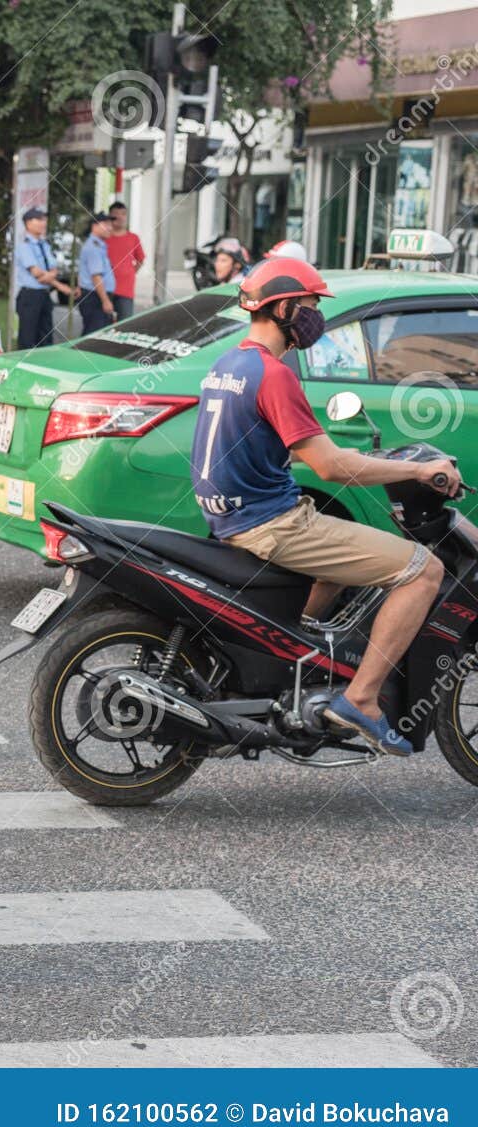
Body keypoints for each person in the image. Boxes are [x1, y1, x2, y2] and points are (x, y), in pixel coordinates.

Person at [189, 257, 460, 756]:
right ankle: (361, 700)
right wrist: (419, 470)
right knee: (424, 570)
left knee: (339, 546)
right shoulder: (273, 374)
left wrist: (362, 457)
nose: (316, 317)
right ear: (286, 307)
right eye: (312, 306)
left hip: (233, 516)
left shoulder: (228, 365)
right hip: (272, 523)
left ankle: (295, 653)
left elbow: (306, 449)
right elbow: (332, 468)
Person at [13, 207, 70, 350]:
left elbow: (53, 270)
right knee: (28, 338)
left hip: (44, 295)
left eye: (44, 220)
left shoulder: (44, 244)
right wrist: (59, 285)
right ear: (28, 223)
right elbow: (37, 274)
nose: (43, 223)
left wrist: (48, 276)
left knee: (45, 336)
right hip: (30, 295)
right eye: (39, 219)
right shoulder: (24, 245)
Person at [76, 212, 116, 335]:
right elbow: (96, 276)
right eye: (106, 224)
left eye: (111, 224)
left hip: (96, 295)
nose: (110, 228)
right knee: (93, 335)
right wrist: (105, 300)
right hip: (95, 297)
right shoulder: (94, 247)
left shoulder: (99, 245)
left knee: (97, 334)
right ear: (95, 226)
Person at [105, 201, 146, 319]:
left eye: (123, 214)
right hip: (105, 290)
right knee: (103, 326)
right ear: (110, 216)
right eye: (116, 213)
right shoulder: (104, 237)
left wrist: (130, 272)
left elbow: (140, 259)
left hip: (126, 290)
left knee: (124, 325)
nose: (120, 217)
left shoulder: (133, 238)